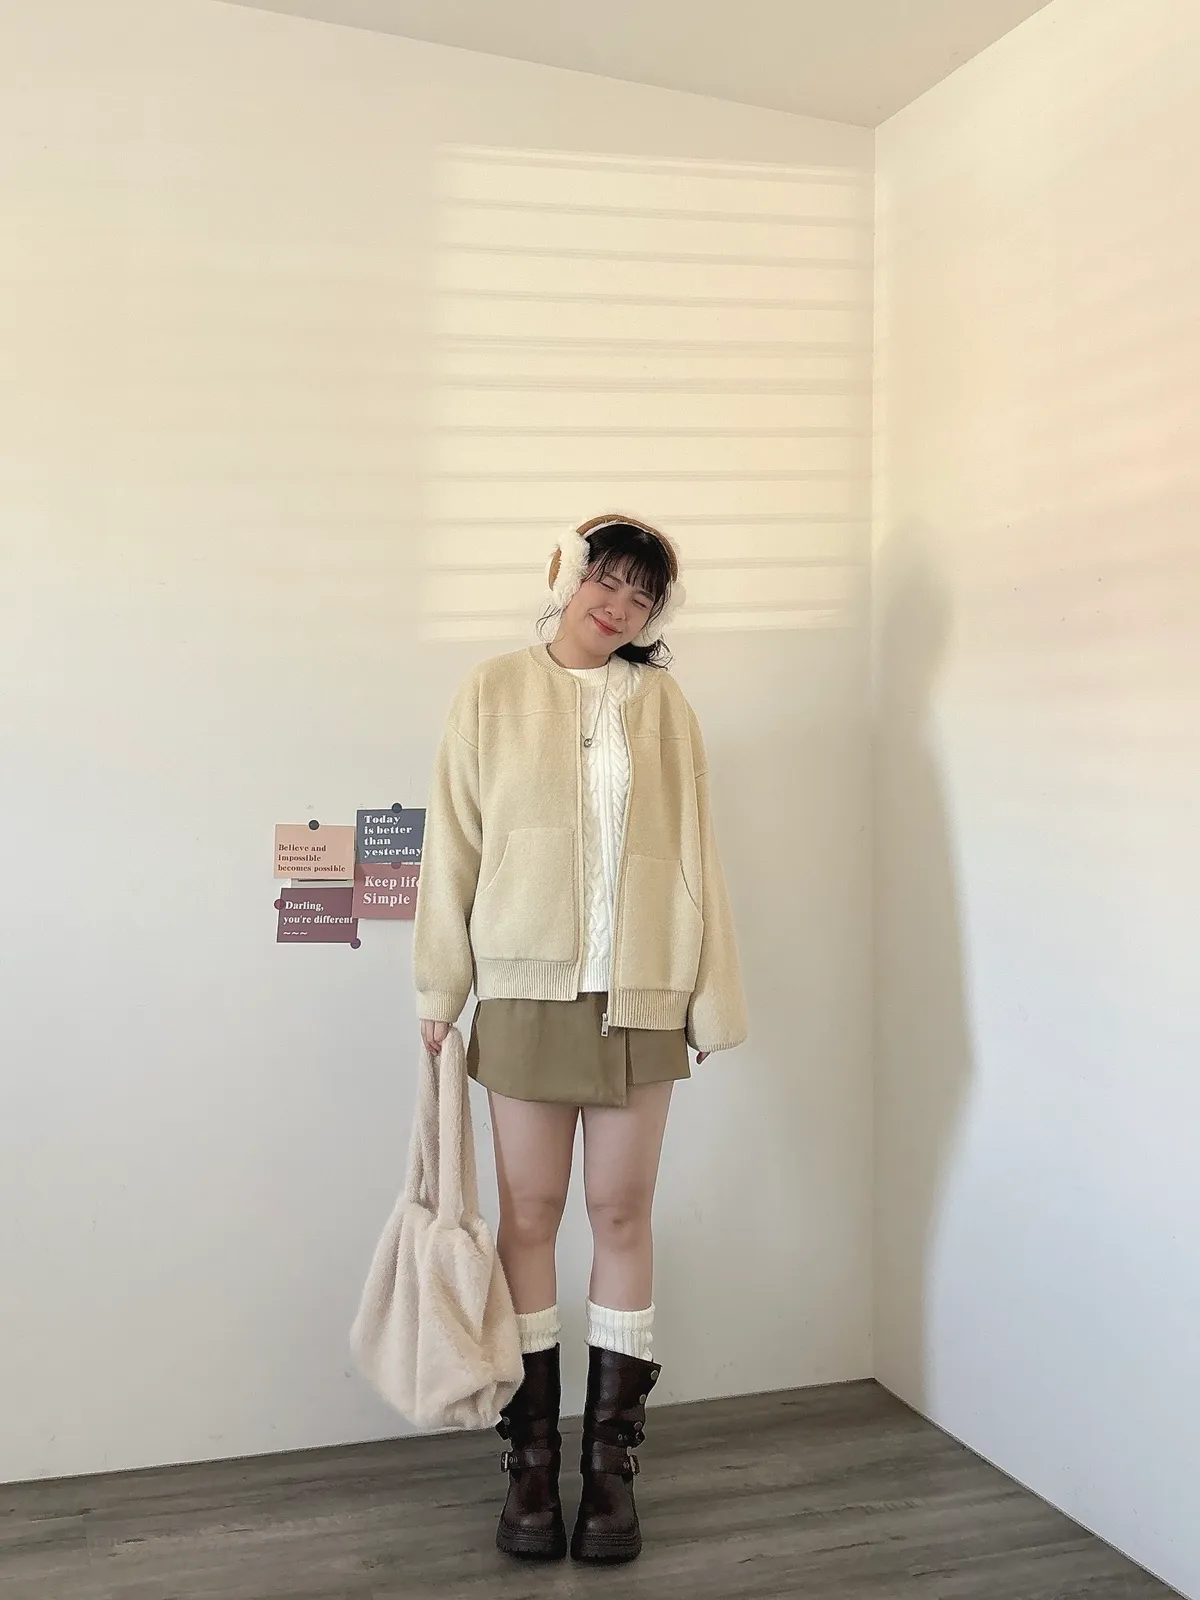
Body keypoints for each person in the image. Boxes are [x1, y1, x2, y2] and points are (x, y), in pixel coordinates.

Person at [413, 513, 747, 1564]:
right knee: (528, 1215)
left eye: (642, 597)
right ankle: (529, 1465)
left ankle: (609, 1472)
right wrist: (440, 988)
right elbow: (453, 845)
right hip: (524, 988)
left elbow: (698, 852)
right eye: (608, 580)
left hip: (641, 990)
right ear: (567, 574)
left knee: (620, 1209)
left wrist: (708, 997)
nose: (619, 606)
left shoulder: (665, 707)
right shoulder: (491, 693)